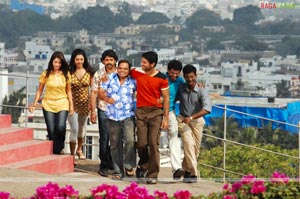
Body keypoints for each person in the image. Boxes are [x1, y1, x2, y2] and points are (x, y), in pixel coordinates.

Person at [130, 51, 170, 184]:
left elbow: (166, 98)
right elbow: (122, 72)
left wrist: (165, 118)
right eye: (142, 61)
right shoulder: (136, 73)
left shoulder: (162, 78)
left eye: (145, 62)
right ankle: (145, 163)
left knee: (153, 144)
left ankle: (152, 175)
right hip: (141, 112)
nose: (142, 64)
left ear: (152, 64)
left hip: (155, 113)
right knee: (141, 143)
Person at [29, 51, 74, 155]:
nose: (57, 64)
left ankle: (60, 147)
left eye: (59, 62)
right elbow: (40, 90)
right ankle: (56, 151)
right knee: (51, 129)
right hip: (48, 103)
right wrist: (34, 104)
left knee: (61, 127)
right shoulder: (46, 73)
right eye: (55, 62)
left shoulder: (66, 74)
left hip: (62, 102)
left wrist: (71, 106)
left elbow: (69, 91)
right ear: (51, 62)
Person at [98, 59, 136, 180]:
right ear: (117, 68)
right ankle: (118, 171)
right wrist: (106, 98)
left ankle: (129, 165)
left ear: (129, 70)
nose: (122, 70)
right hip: (112, 116)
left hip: (128, 115)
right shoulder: (109, 78)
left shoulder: (133, 82)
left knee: (130, 140)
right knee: (115, 144)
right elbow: (100, 92)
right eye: (120, 68)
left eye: (125, 69)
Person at [176, 64, 211, 183]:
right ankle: (194, 173)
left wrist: (192, 117)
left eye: (192, 77)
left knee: (195, 148)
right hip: (183, 119)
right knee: (188, 144)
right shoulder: (181, 87)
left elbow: (207, 109)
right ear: (184, 77)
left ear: (195, 76)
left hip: (197, 121)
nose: (190, 80)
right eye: (187, 77)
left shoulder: (201, 91)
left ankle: (186, 170)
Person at [90, 49, 117, 177]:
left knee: (116, 138)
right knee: (104, 137)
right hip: (103, 108)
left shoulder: (121, 73)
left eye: (111, 60)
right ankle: (104, 165)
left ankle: (112, 161)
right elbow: (94, 93)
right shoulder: (98, 74)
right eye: (107, 60)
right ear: (103, 61)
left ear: (115, 61)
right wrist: (93, 111)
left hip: (118, 110)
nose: (109, 62)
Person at [68, 49, 95, 164]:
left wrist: (91, 105)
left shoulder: (89, 72)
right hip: (72, 104)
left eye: (81, 59)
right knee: (74, 128)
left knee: (81, 128)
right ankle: (72, 154)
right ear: (73, 60)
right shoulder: (69, 72)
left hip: (85, 103)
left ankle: (79, 149)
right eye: (77, 59)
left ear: (84, 60)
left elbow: (93, 89)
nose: (79, 61)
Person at [160, 60, 186, 180]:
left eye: (177, 73)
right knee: (152, 139)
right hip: (157, 111)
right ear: (168, 71)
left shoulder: (181, 81)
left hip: (170, 111)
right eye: (172, 73)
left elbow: (189, 89)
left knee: (174, 135)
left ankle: (176, 168)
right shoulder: (161, 78)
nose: (174, 76)